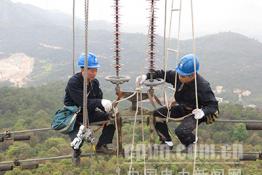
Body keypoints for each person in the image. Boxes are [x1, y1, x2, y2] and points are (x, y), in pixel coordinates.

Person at [136, 54, 219, 151]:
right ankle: (167, 142)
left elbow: (213, 105)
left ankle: (191, 142)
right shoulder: (177, 76)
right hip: (184, 107)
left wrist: (202, 112)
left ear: (192, 75)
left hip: (197, 112)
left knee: (181, 131)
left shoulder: (202, 86)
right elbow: (162, 74)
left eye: (183, 76)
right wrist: (146, 76)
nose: (180, 77)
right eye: (179, 74)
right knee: (156, 115)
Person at [64, 53, 115, 165]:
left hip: (89, 112)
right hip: (74, 115)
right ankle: (76, 152)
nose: (94, 73)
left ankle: (102, 145)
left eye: (95, 70)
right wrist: (99, 102)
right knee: (77, 141)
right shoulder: (74, 82)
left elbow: (98, 98)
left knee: (113, 118)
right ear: (83, 69)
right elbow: (82, 102)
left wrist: (105, 107)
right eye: (91, 71)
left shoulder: (94, 83)